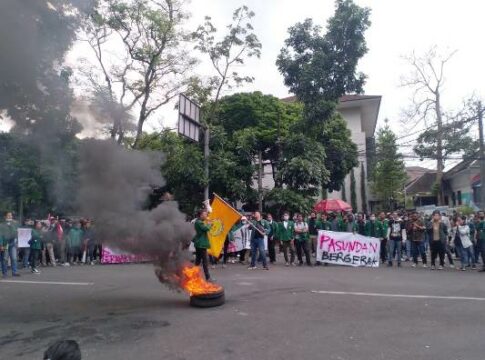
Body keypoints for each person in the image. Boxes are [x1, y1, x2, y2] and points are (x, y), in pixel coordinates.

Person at [192, 209, 212, 280]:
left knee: (198, 261)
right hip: (201, 244)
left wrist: (208, 221)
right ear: (201, 215)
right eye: (205, 214)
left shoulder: (199, 221)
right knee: (205, 261)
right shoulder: (199, 222)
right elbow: (206, 228)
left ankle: (194, 276)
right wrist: (209, 224)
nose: (206, 215)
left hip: (199, 244)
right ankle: (208, 277)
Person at [0, 212, 20, 277]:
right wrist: (1, 245)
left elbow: (16, 233)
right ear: (5, 217)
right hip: (5, 244)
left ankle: (14, 272)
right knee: (5, 259)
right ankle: (4, 273)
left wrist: (17, 243)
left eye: (11, 215)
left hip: (13, 243)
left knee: (14, 258)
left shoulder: (14, 224)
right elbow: (0, 235)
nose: (10, 216)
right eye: (8, 215)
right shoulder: (2, 225)